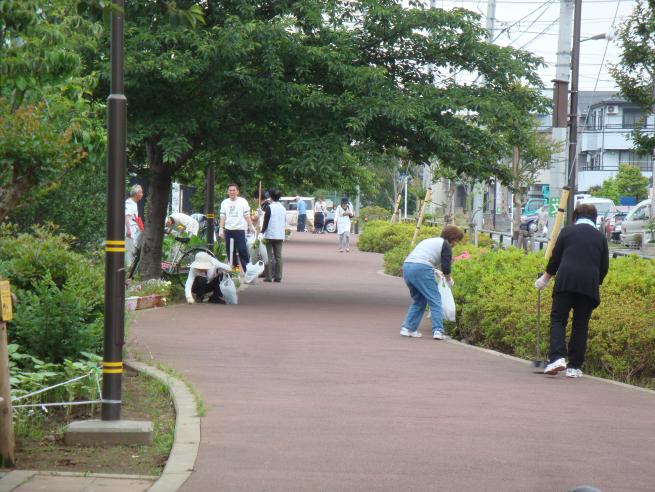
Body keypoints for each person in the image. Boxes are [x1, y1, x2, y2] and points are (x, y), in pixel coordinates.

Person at [534, 203, 609, 377]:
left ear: (575, 217)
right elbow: (604, 266)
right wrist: (595, 282)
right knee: (581, 325)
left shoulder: (567, 232)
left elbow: (556, 259)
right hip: (589, 285)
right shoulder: (600, 237)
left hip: (566, 281)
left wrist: (544, 279)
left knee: (558, 319)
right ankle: (574, 367)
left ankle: (557, 358)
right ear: (594, 219)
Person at [400, 225, 464, 340]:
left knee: (419, 300)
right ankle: (438, 331)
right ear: (452, 238)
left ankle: (408, 328)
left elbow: (423, 258)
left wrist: (435, 271)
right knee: (435, 299)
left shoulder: (430, 241)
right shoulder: (446, 245)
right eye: (457, 241)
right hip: (421, 269)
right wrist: (449, 280)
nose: (456, 244)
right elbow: (446, 268)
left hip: (407, 267)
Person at [218, 183, 256, 272]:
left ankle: (248, 271)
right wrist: (221, 228)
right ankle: (235, 271)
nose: (232, 192)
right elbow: (222, 216)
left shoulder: (242, 201)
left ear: (237, 191)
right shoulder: (224, 202)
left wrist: (251, 225)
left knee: (242, 251)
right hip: (228, 230)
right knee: (230, 252)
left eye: (234, 190)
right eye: (230, 190)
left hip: (239, 230)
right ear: (228, 192)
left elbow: (246, 214)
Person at [262, 189, 286, 283]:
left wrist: (262, 232)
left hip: (270, 234)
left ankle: (268, 276)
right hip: (280, 234)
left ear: (271, 197)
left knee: (268, 255)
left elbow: (266, 222)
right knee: (278, 256)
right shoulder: (283, 208)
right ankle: (278, 276)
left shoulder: (269, 207)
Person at [125, 184, 144, 268]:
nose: (142, 194)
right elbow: (127, 216)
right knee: (129, 250)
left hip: (132, 230)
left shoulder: (134, 203)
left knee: (131, 249)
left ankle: (129, 268)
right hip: (129, 230)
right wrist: (128, 230)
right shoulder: (129, 202)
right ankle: (128, 269)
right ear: (136, 193)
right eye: (141, 192)